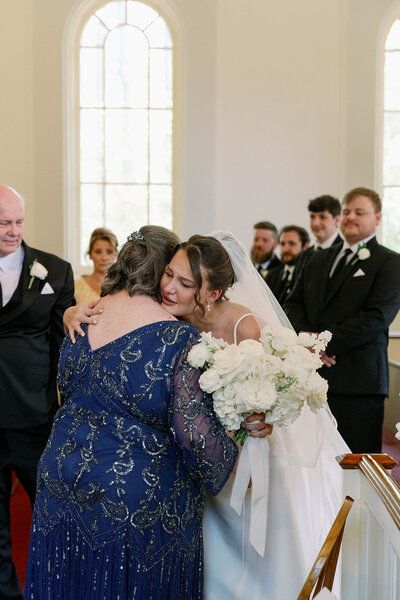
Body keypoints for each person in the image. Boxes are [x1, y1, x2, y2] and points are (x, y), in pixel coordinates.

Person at [65, 231, 348, 599]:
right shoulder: (170, 318)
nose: (168, 288)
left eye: (185, 284)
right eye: (168, 274)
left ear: (213, 294)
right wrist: (72, 311)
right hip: (198, 455)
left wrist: (260, 417)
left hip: (247, 456)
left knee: (257, 559)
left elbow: (279, 390)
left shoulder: (244, 326)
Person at [24, 226, 239, 600]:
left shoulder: (83, 315)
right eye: (171, 272)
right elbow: (194, 435)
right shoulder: (178, 337)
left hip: (59, 474)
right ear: (161, 272)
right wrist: (237, 450)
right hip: (133, 498)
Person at [0, 185, 75, 600]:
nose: (13, 232)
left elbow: (62, 349)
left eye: (18, 222)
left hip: (35, 416)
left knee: (50, 515)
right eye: (3, 224)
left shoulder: (55, 270)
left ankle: (54, 590)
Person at [286, 187, 400, 453]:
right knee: (312, 459)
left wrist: (325, 343)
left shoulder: (390, 262)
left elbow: (377, 317)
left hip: (358, 382)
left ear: (378, 218)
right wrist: (309, 341)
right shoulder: (316, 259)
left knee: (356, 465)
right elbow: (293, 303)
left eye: (360, 212)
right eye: (347, 211)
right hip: (311, 376)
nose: (351, 217)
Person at [295, 195, 342, 276]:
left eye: (322, 217)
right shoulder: (304, 255)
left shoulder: (342, 252)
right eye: (312, 217)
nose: (315, 223)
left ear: (336, 220)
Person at [265, 225, 310, 305]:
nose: (285, 249)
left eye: (292, 244)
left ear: (305, 246)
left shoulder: (308, 277)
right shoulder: (272, 275)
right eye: (282, 244)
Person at [74, 227, 118, 303]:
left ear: (116, 254)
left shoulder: (122, 287)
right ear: (90, 254)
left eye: (109, 252)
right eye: (98, 252)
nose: (104, 258)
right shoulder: (76, 286)